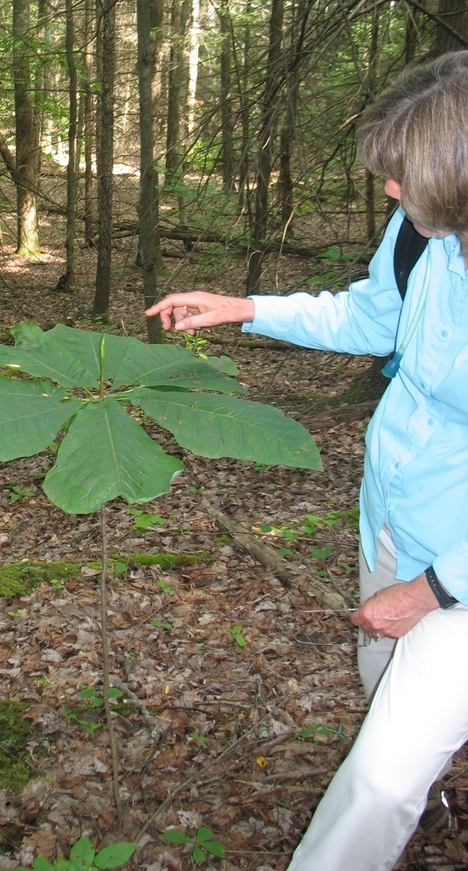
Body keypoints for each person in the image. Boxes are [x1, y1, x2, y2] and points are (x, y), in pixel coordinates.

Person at [146, 51, 468, 871]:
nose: (390, 192)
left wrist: (432, 591)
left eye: (404, 176)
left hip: (457, 569)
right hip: (394, 515)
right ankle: (433, 802)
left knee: (377, 779)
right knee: (382, 683)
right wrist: (242, 308)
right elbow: (369, 320)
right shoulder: (424, 231)